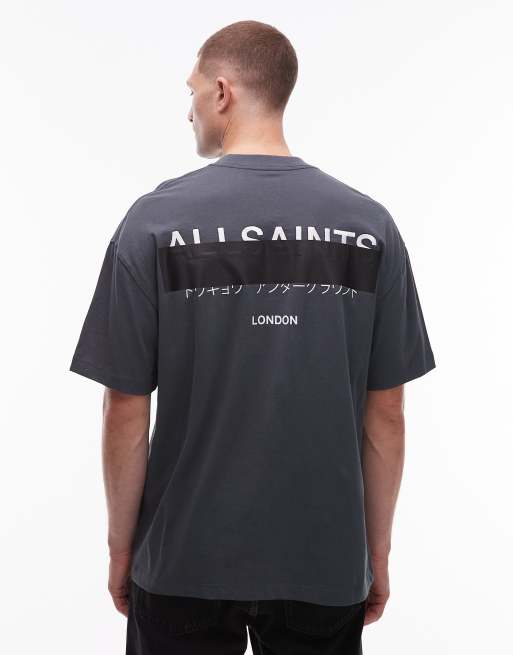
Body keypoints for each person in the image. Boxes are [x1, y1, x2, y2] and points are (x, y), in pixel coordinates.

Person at [69, 19, 436, 655]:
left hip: (183, 558)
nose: (188, 111)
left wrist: (122, 549)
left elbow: (125, 407)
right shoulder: (370, 226)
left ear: (222, 92)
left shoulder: (154, 222)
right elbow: (387, 414)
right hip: (323, 560)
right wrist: (373, 554)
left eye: (191, 92)